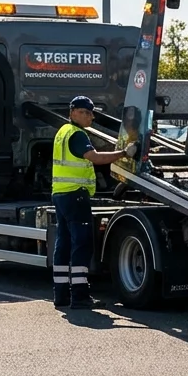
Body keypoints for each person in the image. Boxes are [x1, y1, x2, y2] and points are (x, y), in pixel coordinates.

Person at [52, 95, 138, 309]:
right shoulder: (77, 135)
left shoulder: (63, 132)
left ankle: (61, 295)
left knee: (63, 244)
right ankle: (80, 296)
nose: (90, 116)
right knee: (81, 244)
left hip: (60, 194)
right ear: (72, 112)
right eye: (84, 112)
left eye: (91, 113)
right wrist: (124, 153)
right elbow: (96, 158)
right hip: (75, 195)